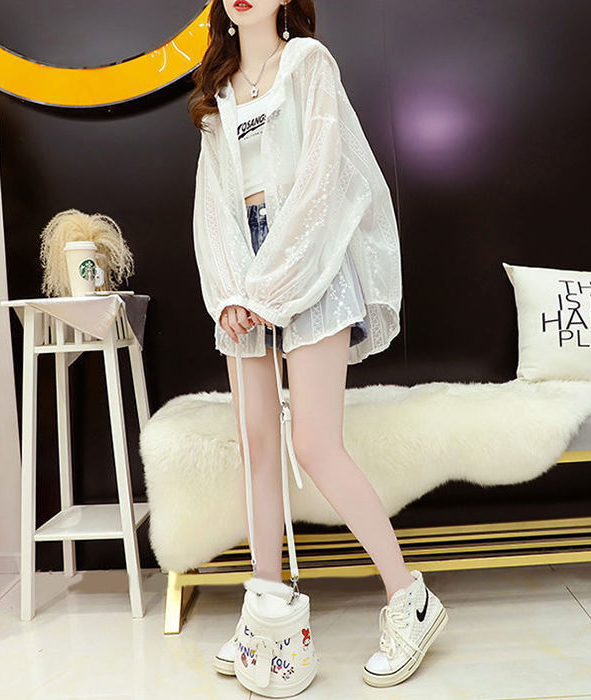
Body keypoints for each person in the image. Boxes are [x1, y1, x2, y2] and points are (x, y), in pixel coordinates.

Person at [188, 0, 447, 687]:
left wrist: (268, 284)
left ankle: (409, 598)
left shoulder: (308, 63)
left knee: (314, 444)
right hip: (243, 273)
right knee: (256, 443)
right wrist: (231, 291)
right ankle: (266, 611)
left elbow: (323, 183)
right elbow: (213, 205)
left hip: (313, 260)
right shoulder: (218, 92)